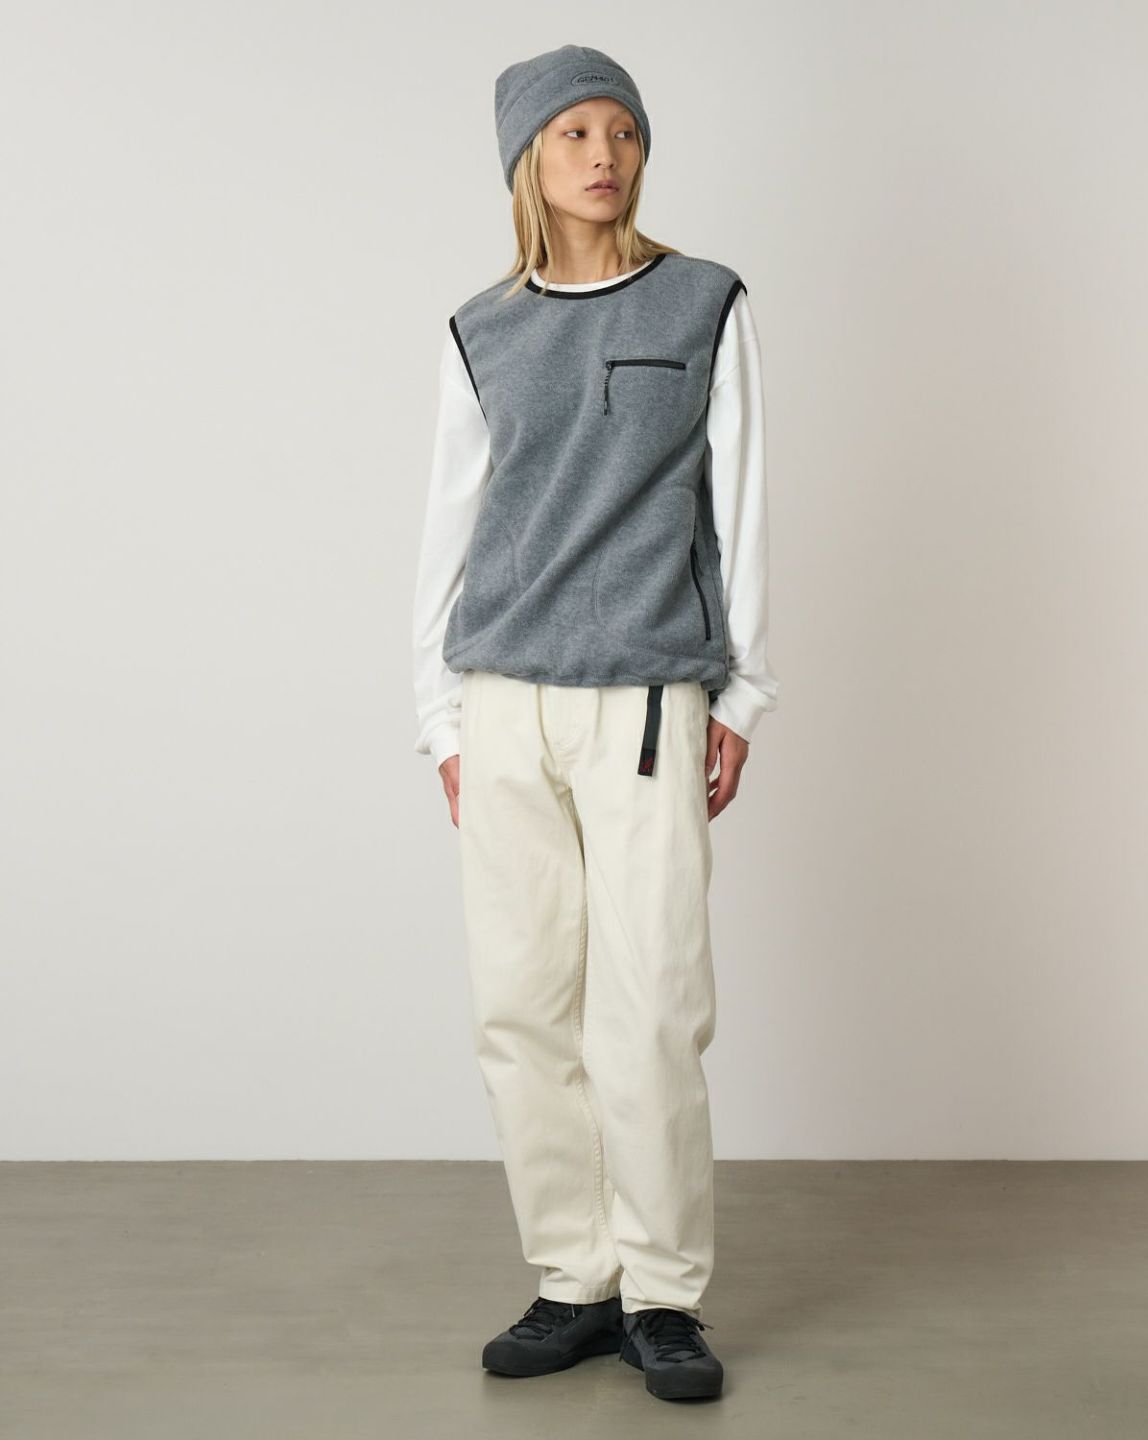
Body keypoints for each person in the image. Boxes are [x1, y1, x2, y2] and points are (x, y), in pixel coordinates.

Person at [411, 43, 779, 1404]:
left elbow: (742, 505)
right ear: (528, 157)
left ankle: (663, 1292)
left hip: (645, 701)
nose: (603, 153)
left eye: (621, 129)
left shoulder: (704, 303)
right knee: (521, 1008)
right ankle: (576, 1277)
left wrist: (742, 691)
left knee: (655, 1007)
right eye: (572, 131)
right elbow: (448, 527)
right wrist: (440, 717)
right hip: (503, 701)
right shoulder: (481, 331)